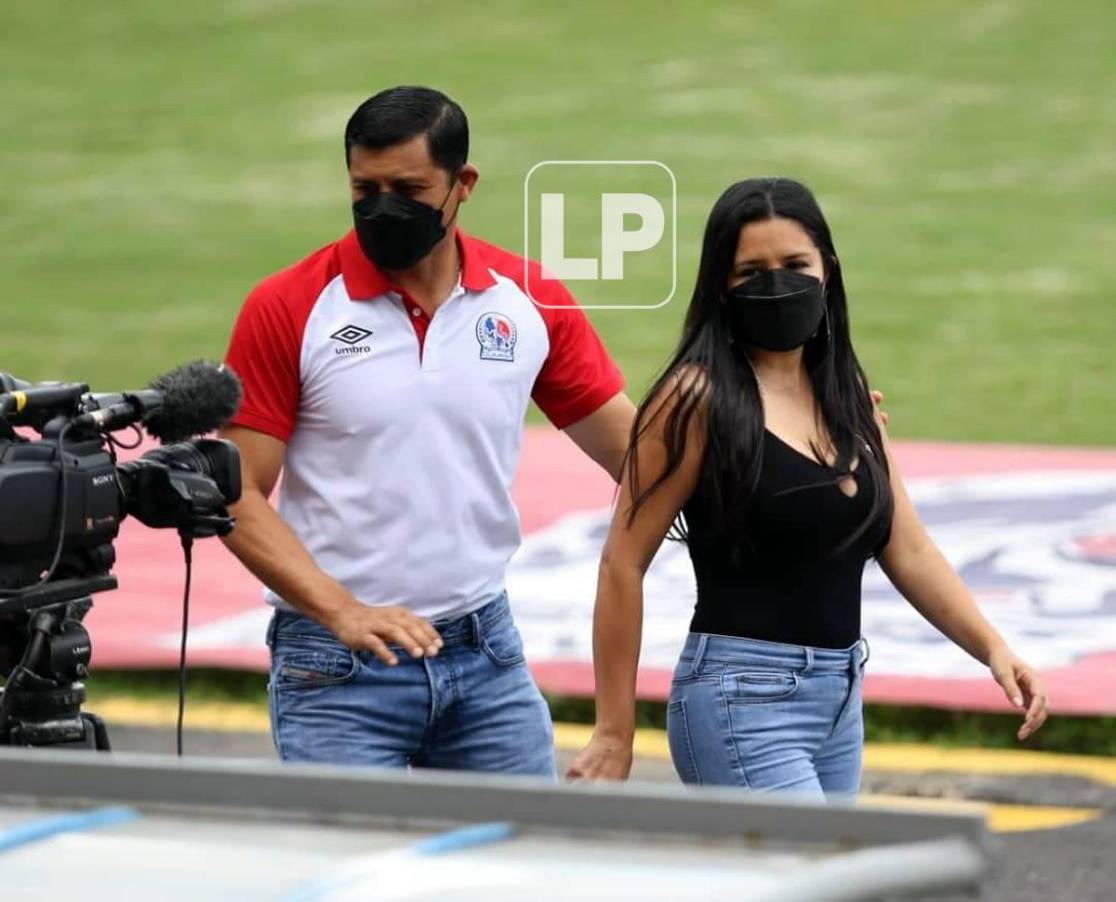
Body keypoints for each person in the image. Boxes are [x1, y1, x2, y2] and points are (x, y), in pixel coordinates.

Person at [567, 177, 1049, 797]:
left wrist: (993, 649)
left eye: (794, 265)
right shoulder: (694, 401)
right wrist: (615, 730)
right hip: (740, 700)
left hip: (839, 698)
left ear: (829, 270)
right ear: (721, 285)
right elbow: (622, 564)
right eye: (751, 271)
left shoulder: (846, 392)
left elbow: (908, 547)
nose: (776, 283)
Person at [219, 86, 634, 776]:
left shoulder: (530, 299)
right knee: (356, 882)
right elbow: (235, 494)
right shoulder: (287, 306)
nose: (384, 207)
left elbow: (641, 453)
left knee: (517, 870)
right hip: (335, 667)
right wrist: (342, 611)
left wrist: (795, 426)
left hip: (485, 657)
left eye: (408, 188)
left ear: (462, 184)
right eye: (365, 188)